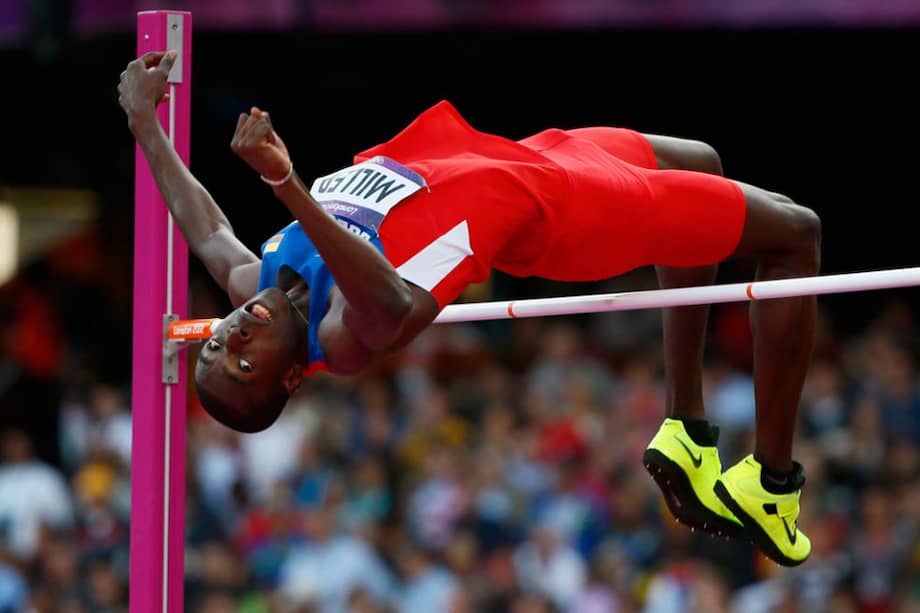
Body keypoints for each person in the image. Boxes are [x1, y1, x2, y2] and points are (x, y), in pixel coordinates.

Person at [118, 51, 819, 566]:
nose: (232, 338)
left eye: (217, 346)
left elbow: (206, 231)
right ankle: (771, 482)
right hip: (565, 210)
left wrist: (144, 122)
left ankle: (688, 429)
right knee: (795, 234)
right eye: (245, 365)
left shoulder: (259, 279)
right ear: (294, 377)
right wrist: (283, 181)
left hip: (521, 158)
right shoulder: (347, 334)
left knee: (704, 161)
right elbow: (388, 296)